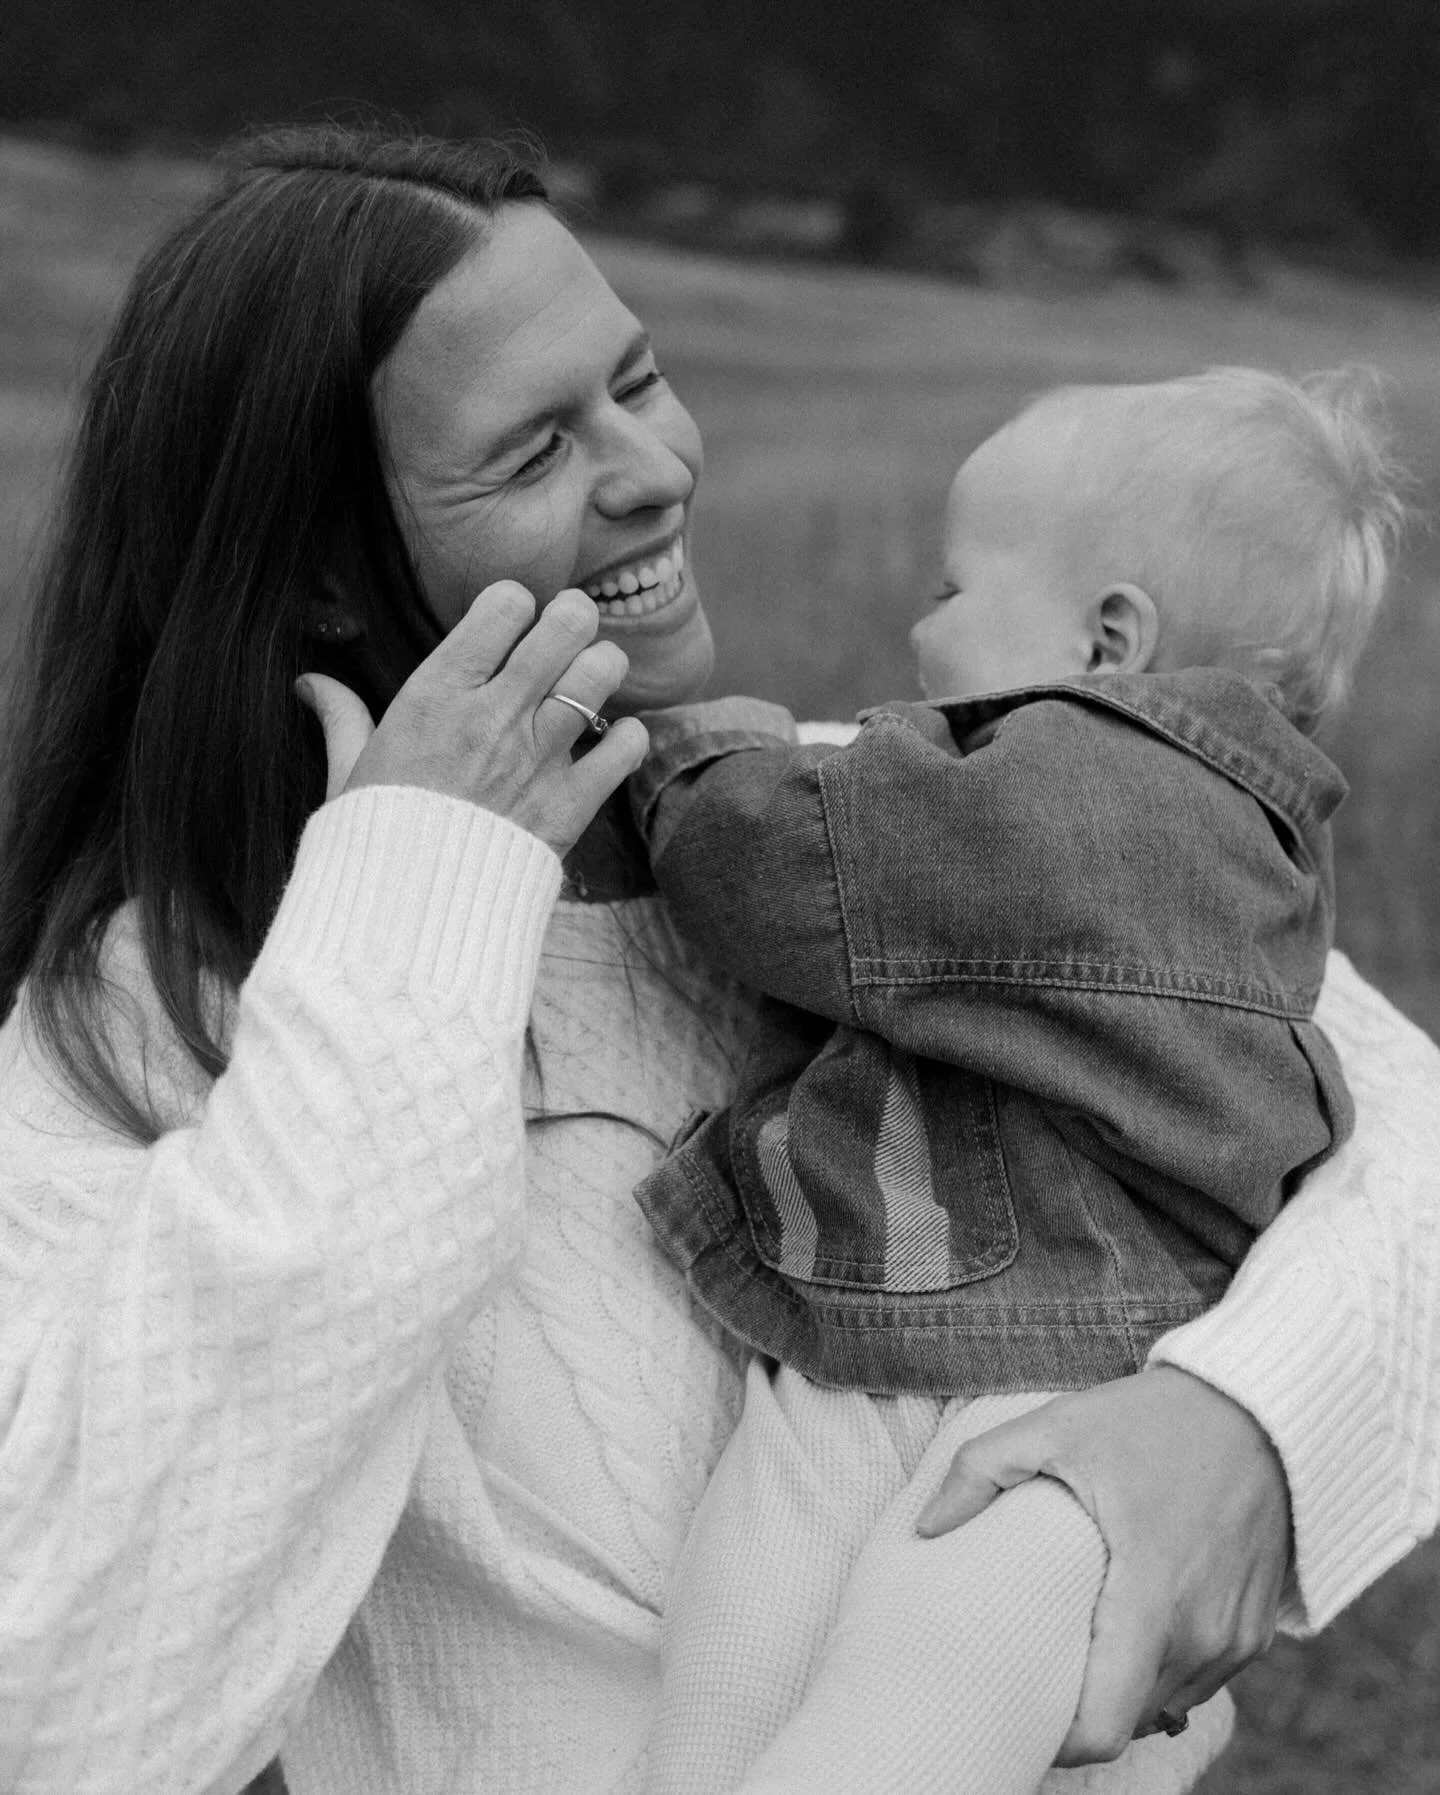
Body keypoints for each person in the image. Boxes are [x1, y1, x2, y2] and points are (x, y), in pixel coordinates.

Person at [0, 125, 1435, 1795]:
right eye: (538, 445)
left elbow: (1397, 1119)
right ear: (322, 575)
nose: (658, 465)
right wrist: (415, 882)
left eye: (639, 377)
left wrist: (1239, 1430)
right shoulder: (142, 1019)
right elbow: (68, 1709)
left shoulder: (851, 825)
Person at [626, 367, 1398, 1794]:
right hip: (983, 1342)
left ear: (1109, 640)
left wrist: (691, 757)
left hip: (1027, 1365)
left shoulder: (1074, 795)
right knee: (811, 1662)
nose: (919, 627)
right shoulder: (1257, 843)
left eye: (952, 585)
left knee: (850, 1676)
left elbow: (794, 868)